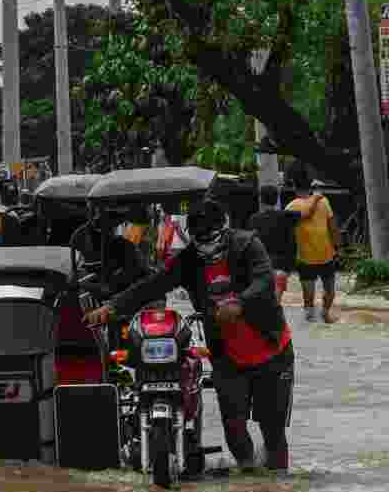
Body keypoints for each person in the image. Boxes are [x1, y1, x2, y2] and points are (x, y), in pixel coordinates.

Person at [85, 198, 295, 471]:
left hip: (272, 351)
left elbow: (264, 281)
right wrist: (112, 307)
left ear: (225, 228)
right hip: (228, 357)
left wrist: (239, 304)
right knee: (233, 426)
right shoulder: (190, 261)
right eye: (200, 241)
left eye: (213, 239)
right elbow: (152, 285)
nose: (207, 246)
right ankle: (249, 478)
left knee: (273, 430)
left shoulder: (248, 245)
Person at [248, 186, 320, 305]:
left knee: (263, 298)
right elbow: (308, 213)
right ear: (276, 200)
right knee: (276, 297)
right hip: (283, 266)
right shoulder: (286, 216)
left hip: (262, 264)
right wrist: (316, 198)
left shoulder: (253, 219)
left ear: (261, 200)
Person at [286, 180, 342, 323]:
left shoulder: (291, 207)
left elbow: (287, 234)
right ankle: (325, 313)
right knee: (330, 291)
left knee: (308, 293)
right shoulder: (324, 202)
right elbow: (333, 226)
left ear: (294, 188)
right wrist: (338, 247)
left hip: (305, 257)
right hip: (326, 255)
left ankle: (310, 316)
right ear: (311, 188)